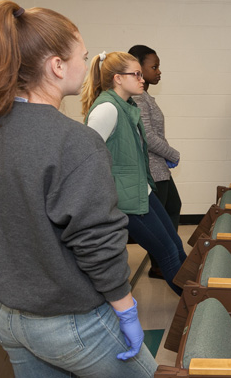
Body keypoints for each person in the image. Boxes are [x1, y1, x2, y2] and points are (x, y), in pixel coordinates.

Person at [0, 0, 156, 376]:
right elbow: (95, 237)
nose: (87, 61)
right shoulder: (73, 141)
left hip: (7, 321)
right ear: (57, 66)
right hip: (70, 324)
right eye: (83, 54)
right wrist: (125, 307)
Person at [81, 51, 187, 294]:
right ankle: (194, 307)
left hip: (142, 190)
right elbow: (87, 159)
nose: (142, 79)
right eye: (136, 74)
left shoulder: (126, 105)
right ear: (118, 78)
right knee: (168, 253)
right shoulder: (107, 108)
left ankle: (195, 298)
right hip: (126, 199)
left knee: (176, 245)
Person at [128, 45, 182, 280]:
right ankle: (163, 264)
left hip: (159, 168)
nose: (159, 72)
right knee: (160, 223)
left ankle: (164, 262)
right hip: (152, 168)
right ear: (139, 69)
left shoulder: (145, 95)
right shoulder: (138, 98)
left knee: (173, 208)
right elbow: (147, 137)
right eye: (154, 67)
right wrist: (173, 153)